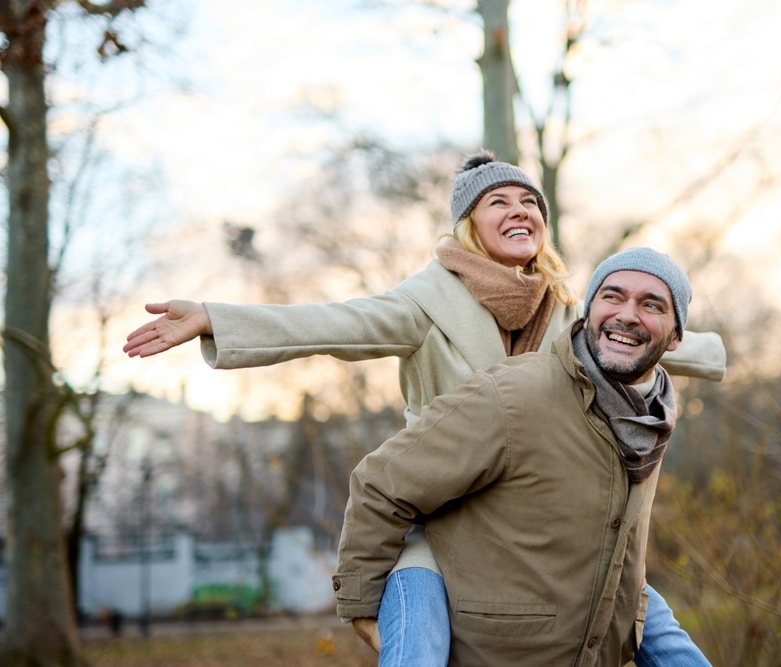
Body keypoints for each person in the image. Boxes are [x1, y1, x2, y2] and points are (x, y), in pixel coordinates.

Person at [123, 152, 721, 665]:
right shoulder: (426, 303)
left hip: (526, 529)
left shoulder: (568, 310)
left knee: (649, 622)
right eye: (498, 202)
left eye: (529, 202)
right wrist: (218, 318)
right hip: (437, 523)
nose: (519, 211)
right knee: (417, 652)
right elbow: (337, 322)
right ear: (467, 225)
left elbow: (636, 334)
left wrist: (714, 349)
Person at [333, 247, 708, 665]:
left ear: (675, 336)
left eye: (651, 304)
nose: (627, 314)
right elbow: (381, 482)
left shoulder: (653, 417)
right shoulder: (513, 395)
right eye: (612, 296)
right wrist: (362, 611)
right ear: (588, 312)